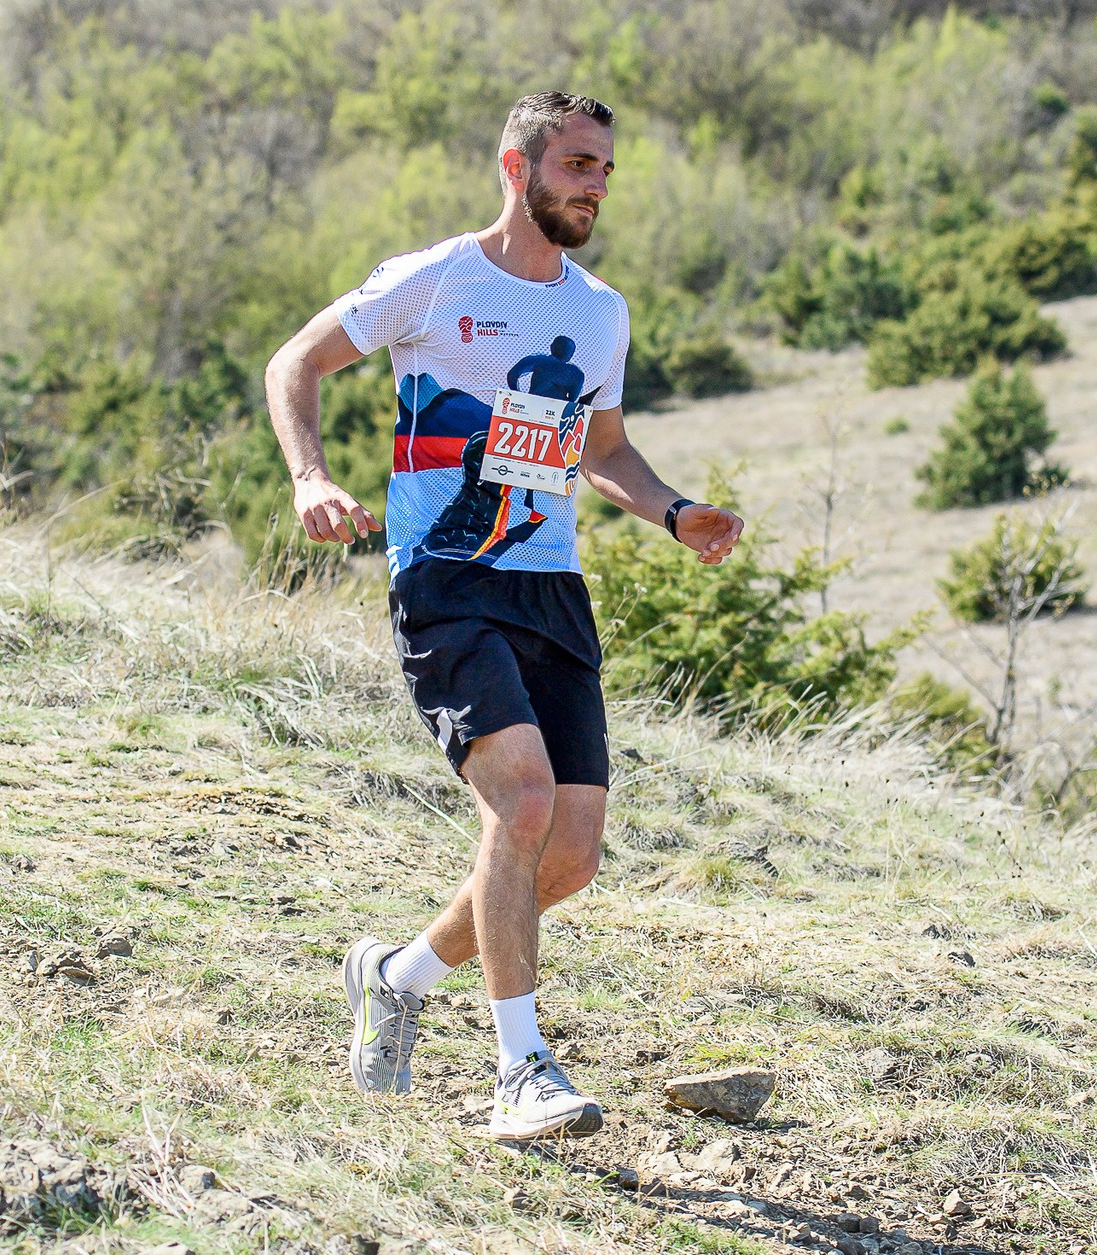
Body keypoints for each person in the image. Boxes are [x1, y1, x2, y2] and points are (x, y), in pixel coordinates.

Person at [261, 90, 744, 1142]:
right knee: (517, 809)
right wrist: (311, 477)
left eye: (607, 169)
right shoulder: (437, 278)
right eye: (577, 164)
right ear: (516, 169)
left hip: (549, 585)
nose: (597, 184)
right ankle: (521, 1070)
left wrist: (673, 513)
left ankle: (398, 974)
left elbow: (600, 448)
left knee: (566, 853)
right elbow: (292, 363)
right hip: (443, 575)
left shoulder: (598, 310)